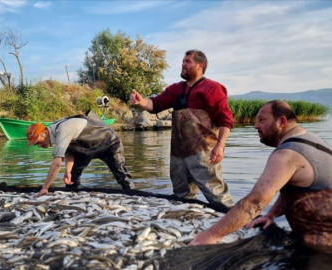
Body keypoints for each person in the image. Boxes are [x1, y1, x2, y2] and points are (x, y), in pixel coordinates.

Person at [189, 100, 332, 252]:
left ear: (281, 121)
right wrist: (271, 215)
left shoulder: (287, 154)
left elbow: (254, 202)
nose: (256, 125)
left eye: (262, 120)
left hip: (323, 247)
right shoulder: (312, 141)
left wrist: (209, 235)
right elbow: (295, 188)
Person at [131, 49, 234, 208]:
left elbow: (226, 120)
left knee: (216, 194)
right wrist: (141, 101)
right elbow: (155, 104)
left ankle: (233, 222)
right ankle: (186, 223)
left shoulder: (212, 88)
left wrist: (220, 146)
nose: (183, 64)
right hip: (178, 154)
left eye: (187, 62)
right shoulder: (176, 89)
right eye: (183, 61)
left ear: (200, 65)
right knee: (182, 196)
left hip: (203, 153)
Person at [27, 110, 135, 197]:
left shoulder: (63, 129)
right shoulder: (55, 131)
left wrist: (45, 187)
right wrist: (67, 171)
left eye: (38, 142)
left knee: (121, 174)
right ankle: (79, 195)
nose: (39, 146)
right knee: (71, 181)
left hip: (108, 142)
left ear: (44, 132)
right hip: (85, 148)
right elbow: (69, 152)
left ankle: (132, 193)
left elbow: (57, 162)